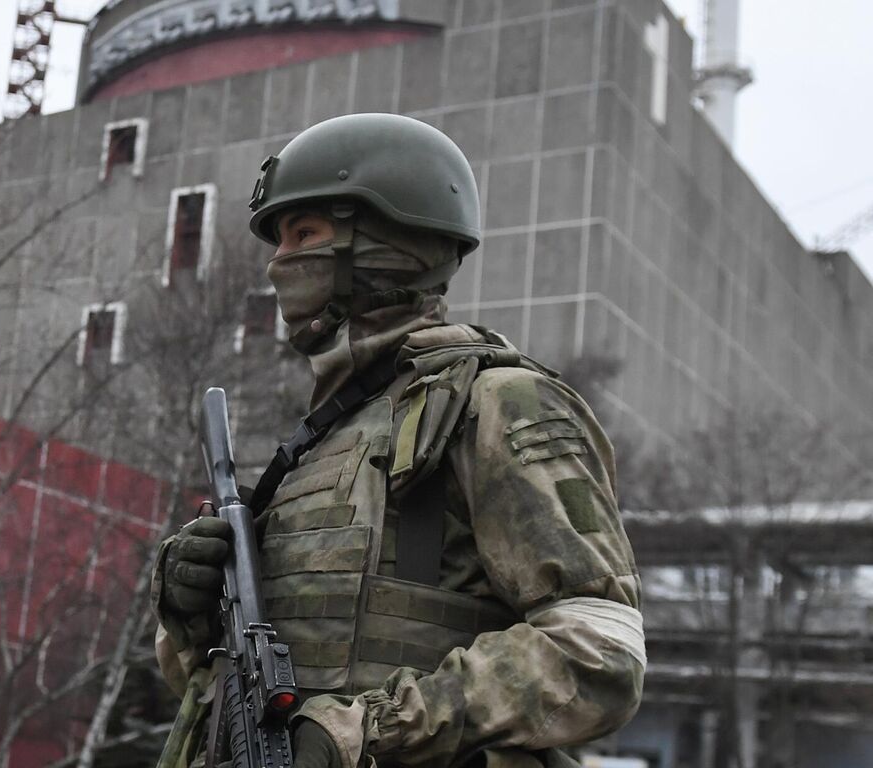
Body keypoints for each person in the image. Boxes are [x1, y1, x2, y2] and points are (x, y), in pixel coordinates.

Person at [153, 113, 645, 768]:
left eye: (303, 234)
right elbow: (234, 681)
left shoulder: (497, 404)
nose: (278, 263)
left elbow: (599, 651)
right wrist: (189, 615)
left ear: (384, 241)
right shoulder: (316, 450)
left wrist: (359, 735)